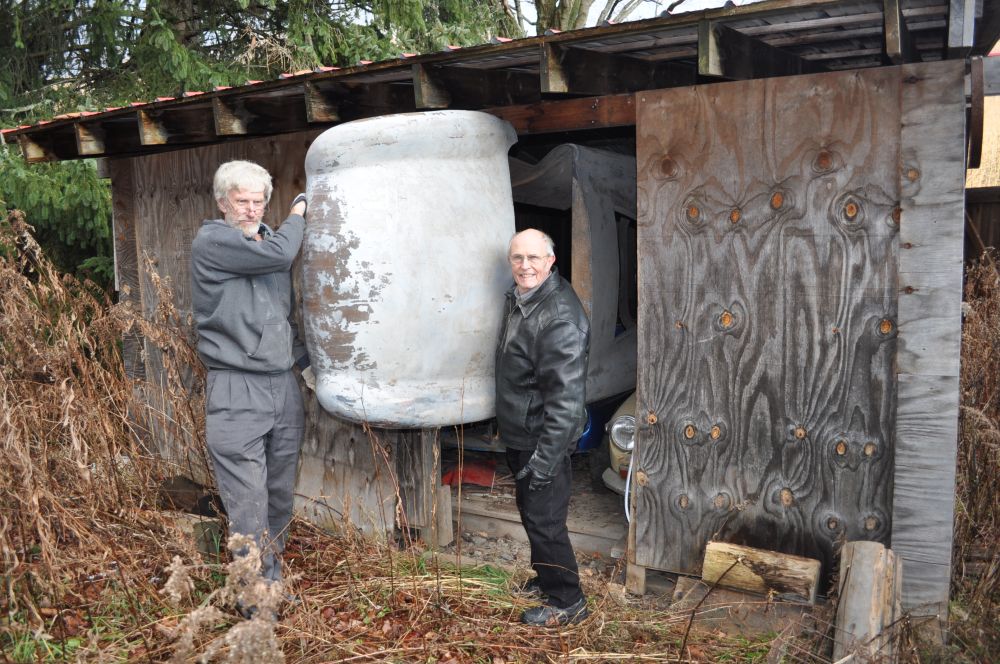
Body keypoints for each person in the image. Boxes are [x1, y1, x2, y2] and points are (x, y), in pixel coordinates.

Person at [190, 160, 312, 590]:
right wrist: (298, 212)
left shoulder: (264, 244)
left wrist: (304, 366)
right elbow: (280, 253)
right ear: (223, 203)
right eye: (242, 201)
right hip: (236, 387)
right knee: (248, 502)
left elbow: (280, 317)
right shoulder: (214, 241)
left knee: (278, 494)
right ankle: (253, 599)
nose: (251, 209)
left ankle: (270, 584)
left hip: (282, 386)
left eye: (259, 201)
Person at [495, 228, 591, 626]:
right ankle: (548, 577)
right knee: (532, 513)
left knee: (546, 521)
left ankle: (568, 600)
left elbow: (566, 405)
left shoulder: (559, 319)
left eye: (534, 258)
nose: (525, 266)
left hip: (542, 439)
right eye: (517, 258)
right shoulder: (523, 298)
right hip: (524, 431)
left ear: (551, 261)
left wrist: (545, 461)